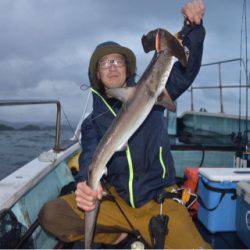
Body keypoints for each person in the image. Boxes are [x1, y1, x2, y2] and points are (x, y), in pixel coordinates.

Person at [39, 0, 210, 248]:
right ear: (97, 74)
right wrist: (86, 188)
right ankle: (117, 233)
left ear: (127, 69)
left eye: (118, 61)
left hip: (158, 200)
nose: (112, 67)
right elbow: (89, 156)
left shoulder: (154, 97)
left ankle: (134, 230)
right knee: (51, 215)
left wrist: (193, 28)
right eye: (105, 63)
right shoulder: (92, 122)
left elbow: (185, 71)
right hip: (116, 201)